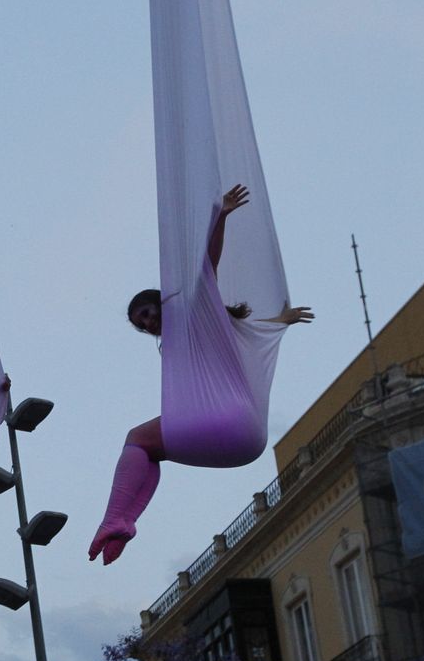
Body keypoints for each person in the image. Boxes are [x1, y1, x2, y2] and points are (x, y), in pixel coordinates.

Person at [88, 185, 313, 565]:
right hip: (240, 433)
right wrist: (281, 319)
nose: (148, 323)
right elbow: (246, 331)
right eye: (142, 324)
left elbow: (208, 266)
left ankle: (116, 519)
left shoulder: (191, 314)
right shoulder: (194, 335)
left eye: (147, 313)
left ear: (161, 302)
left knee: (136, 439)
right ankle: (122, 522)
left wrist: (221, 215)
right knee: (147, 449)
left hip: (221, 417)